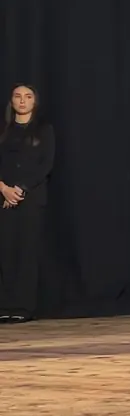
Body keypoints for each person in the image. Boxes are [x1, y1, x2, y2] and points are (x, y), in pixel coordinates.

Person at [0, 84, 55, 324]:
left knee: (26, 253)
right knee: (5, 252)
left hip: (31, 199)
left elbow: (46, 165)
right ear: (11, 101)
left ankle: (24, 307)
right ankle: (5, 305)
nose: (22, 100)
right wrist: (4, 189)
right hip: (3, 198)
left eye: (28, 96)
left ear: (34, 102)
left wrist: (21, 189)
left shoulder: (44, 130)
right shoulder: (4, 129)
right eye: (18, 96)